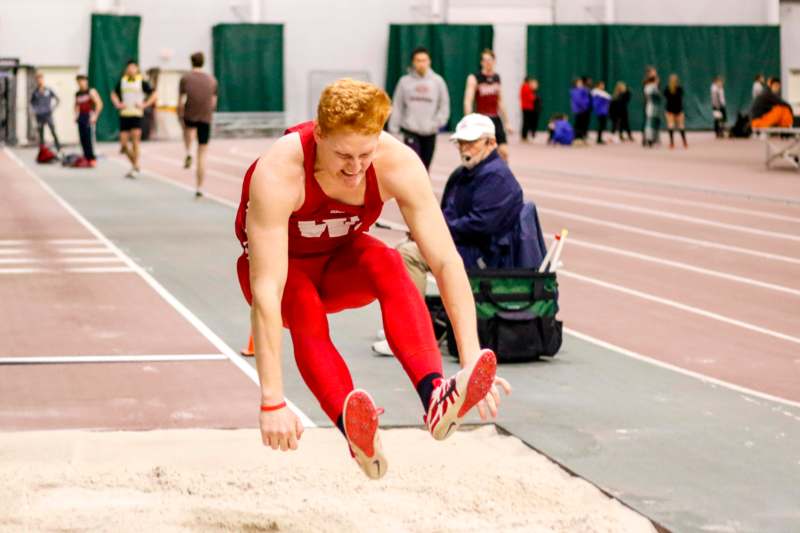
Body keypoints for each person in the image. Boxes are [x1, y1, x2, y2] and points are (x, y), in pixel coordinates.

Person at [234, 79, 511, 480]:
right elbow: (266, 291)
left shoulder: (396, 162)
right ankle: (354, 427)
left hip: (339, 264)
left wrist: (469, 361)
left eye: (365, 153)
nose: (355, 167)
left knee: (387, 259)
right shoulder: (279, 170)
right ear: (320, 133)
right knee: (302, 304)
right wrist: (272, 401)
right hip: (281, 272)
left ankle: (435, 394)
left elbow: (446, 261)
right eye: (343, 155)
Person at [372, 114, 525, 357]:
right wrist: (426, 232)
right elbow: (443, 213)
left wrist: (433, 233)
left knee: (409, 254)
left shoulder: (496, 177)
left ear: (491, 143)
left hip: (483, 253)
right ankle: (402, 328)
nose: (465, 147)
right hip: (464, 245)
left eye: (471, 142)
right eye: (461, 142)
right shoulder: (464, 173)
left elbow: (481, 225)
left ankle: (411, 336)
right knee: (403, 250)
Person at [388, 47, 449, 171]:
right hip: (411, 131)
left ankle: (422, 190)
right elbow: (398, 105)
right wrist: (393, 129)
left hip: (429, 132)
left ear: (429, 61)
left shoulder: (438, 82)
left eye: (424, 60)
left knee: (425, 168)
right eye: (418, 60)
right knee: (413, 165)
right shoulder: (404, 82)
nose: (421, 63)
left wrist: (437, 123)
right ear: (413, 62)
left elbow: (444, 106)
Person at [178, 52, 218, 197]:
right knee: (202, 154)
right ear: (203, 62)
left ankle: (188, 151)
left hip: (190, 114)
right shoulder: (212, 80)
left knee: (187, 131)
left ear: (191, 62)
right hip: (205, 117)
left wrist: (179, 114)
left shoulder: (185, 78)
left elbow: (181, 100)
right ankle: (199, 187)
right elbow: (213, 102)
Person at [111, 60, 157, 178]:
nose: (131, 70)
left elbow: (154, 94)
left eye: (133, 67)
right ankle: (135, 164)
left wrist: (145, 104)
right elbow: (113, 94)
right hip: (124, 115)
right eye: (129, 68)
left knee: (136, 142)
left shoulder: (141, 81)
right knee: (123, 145)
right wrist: (117, 104)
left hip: (136, 114)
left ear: (137, 69)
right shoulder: (122, 81)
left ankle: (134, 166)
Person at [464, 49, 512, 161]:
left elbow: (500, 101)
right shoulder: (474, 78)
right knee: (481, 153)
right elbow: (468, 100)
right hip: (482, 120)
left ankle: (503, 176)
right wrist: (468, 120)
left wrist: (507, 122)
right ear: (481, 63)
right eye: (485, 60)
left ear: (494, 61)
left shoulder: (497, 78)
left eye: (490, 60)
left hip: (495, 119)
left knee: (504, 152)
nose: (488, 63)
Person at [73, 75, 103, 167]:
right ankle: (86, 158)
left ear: (86, 81)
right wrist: (76, 115)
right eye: (79, 81)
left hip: (89, 116)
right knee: (82, 139)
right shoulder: (78, 93)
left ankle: (92, 159)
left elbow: (99, 104)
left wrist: (95, 116)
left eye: (82, 81)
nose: (81, 83)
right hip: (81, 117)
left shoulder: (91, 92)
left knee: (89, 138)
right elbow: (76, 105)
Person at [30, 72, 62, 153]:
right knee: (41, 133)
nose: (39, 81)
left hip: (48, 114)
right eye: (37, 79)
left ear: (43, 79)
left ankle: (58, 147)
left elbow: (57, 99)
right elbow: (32, 103)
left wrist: (52, 108)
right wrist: (35, 110)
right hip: (39, 115)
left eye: (40, 79)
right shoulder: (35, 92)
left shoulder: (48, 90)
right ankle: (42, 149)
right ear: (36, 80)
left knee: (53, 131)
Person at [664, 74, 687, 149]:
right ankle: (684, 142)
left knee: (671, 126)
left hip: (670, 109)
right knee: (681, 126)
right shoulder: (679, 89)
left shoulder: (667, 89)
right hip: (678, 109)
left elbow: (666, 97)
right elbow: (680, 98)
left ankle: (672, 143)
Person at [643, 73, 663, 147]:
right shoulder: (651, 87)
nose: (658, 80)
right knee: (650, 123)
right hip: (652, 107)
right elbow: (655, 96)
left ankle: (654, 139)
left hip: (655, 107)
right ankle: (649, 139)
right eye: (657, 79)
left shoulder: (652, 87)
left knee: (655, 123)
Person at [570, 78, 591, 144]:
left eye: (581, 82)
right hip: (579, 110)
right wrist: (583, 106)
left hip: (584, 110)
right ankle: (577, 139)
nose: (581, 84)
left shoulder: (584, 90)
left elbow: (587, 98)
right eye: (579, 83)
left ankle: (582, 138)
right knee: (578, 125)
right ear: (575, 84)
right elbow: (578, 100)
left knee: (583, 125)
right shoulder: (575, 91)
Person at [519, 77, 541, 142]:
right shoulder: (526, 87)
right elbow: (530, 97)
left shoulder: (524, 87)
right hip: (527, 108)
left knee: (526, 122)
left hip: (527, 107)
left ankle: (524, 137)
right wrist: (535, 97)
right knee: (526, 122)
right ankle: (524, 137)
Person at [591, 80, 611, 145]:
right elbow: (596, 104)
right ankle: (599, 139)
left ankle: (599, 138)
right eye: (601, 85)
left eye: (603, 85)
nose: (603, 86)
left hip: (604, 111)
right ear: (598, 85)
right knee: (600, 125)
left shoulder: (602, 93)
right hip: (600, 111)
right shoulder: (597, 93)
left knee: (602, 125)